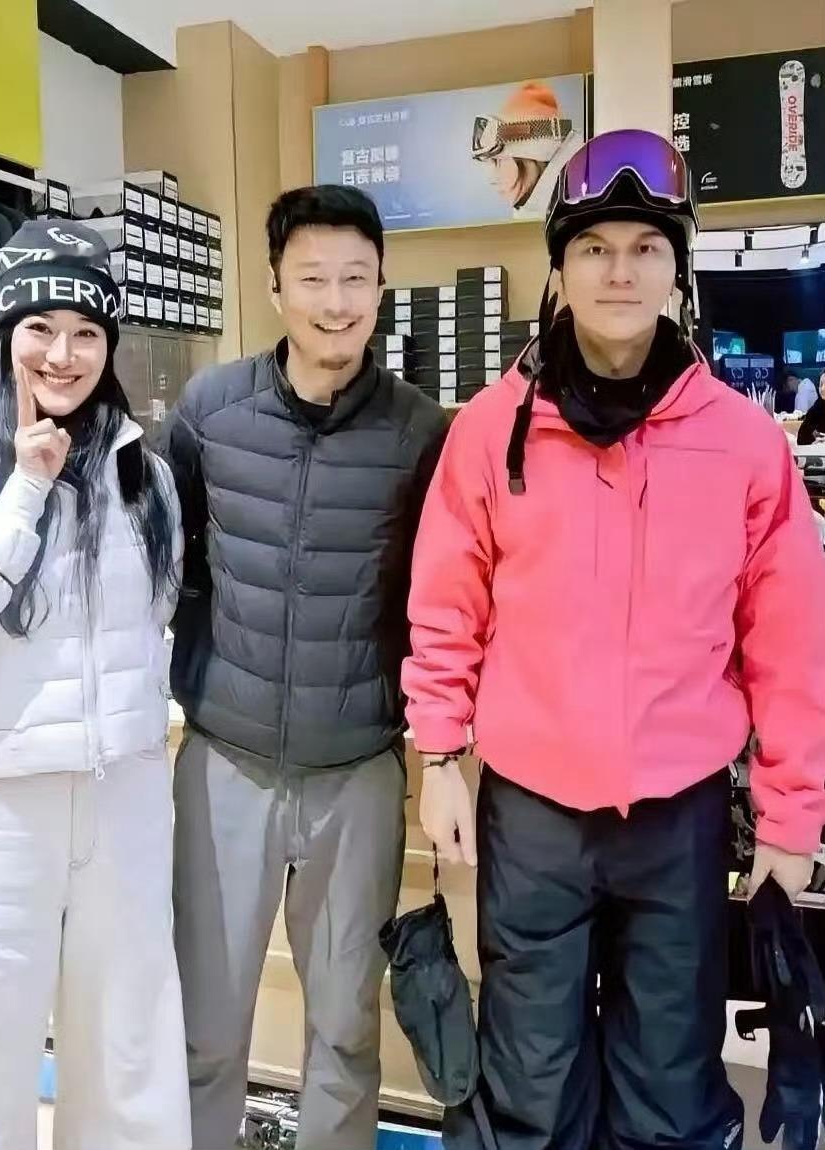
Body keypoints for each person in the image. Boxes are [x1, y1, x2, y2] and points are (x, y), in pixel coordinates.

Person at [402, 129, 825, 1150]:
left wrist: (790, 816)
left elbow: (788, 643)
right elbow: (447, 601)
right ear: (560, 266)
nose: (619, 270)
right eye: (594, 247)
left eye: (645, 247)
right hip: (531, 811)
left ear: (678, 269)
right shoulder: (489, 429)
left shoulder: (743, 442)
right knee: (531, 1084)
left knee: (669, 1091)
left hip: (678, 813)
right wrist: (440, 756)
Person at [0, 220, 190, 1150]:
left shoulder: (144, 475)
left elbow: (156, 618)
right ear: (3, 331)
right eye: (41, 328)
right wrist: (22, 492)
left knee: (128, 1054)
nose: (63, 354)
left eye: (87, 332)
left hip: (123, 800)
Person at [161, 184, 447, 1150]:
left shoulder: (420, 433)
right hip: (224, 764)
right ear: (275, 285)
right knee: (205, 1027)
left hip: (358, 772)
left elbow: (437, 594)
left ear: (381, 288)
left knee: (344, 1029)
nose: (336, 302)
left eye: (356, 279)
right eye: (313, 278)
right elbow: (168, 559)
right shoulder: (209, 411)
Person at [472, 81, 582, 218]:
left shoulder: (584, 201)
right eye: (488, 162)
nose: (491, 178)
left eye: (498, 160)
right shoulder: (531, 209)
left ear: (536, 152)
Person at [797, 370, 825, 444]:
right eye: (821, 384)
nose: (822, 389)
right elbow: (801, 438)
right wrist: (814, 440)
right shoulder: (816, 408)